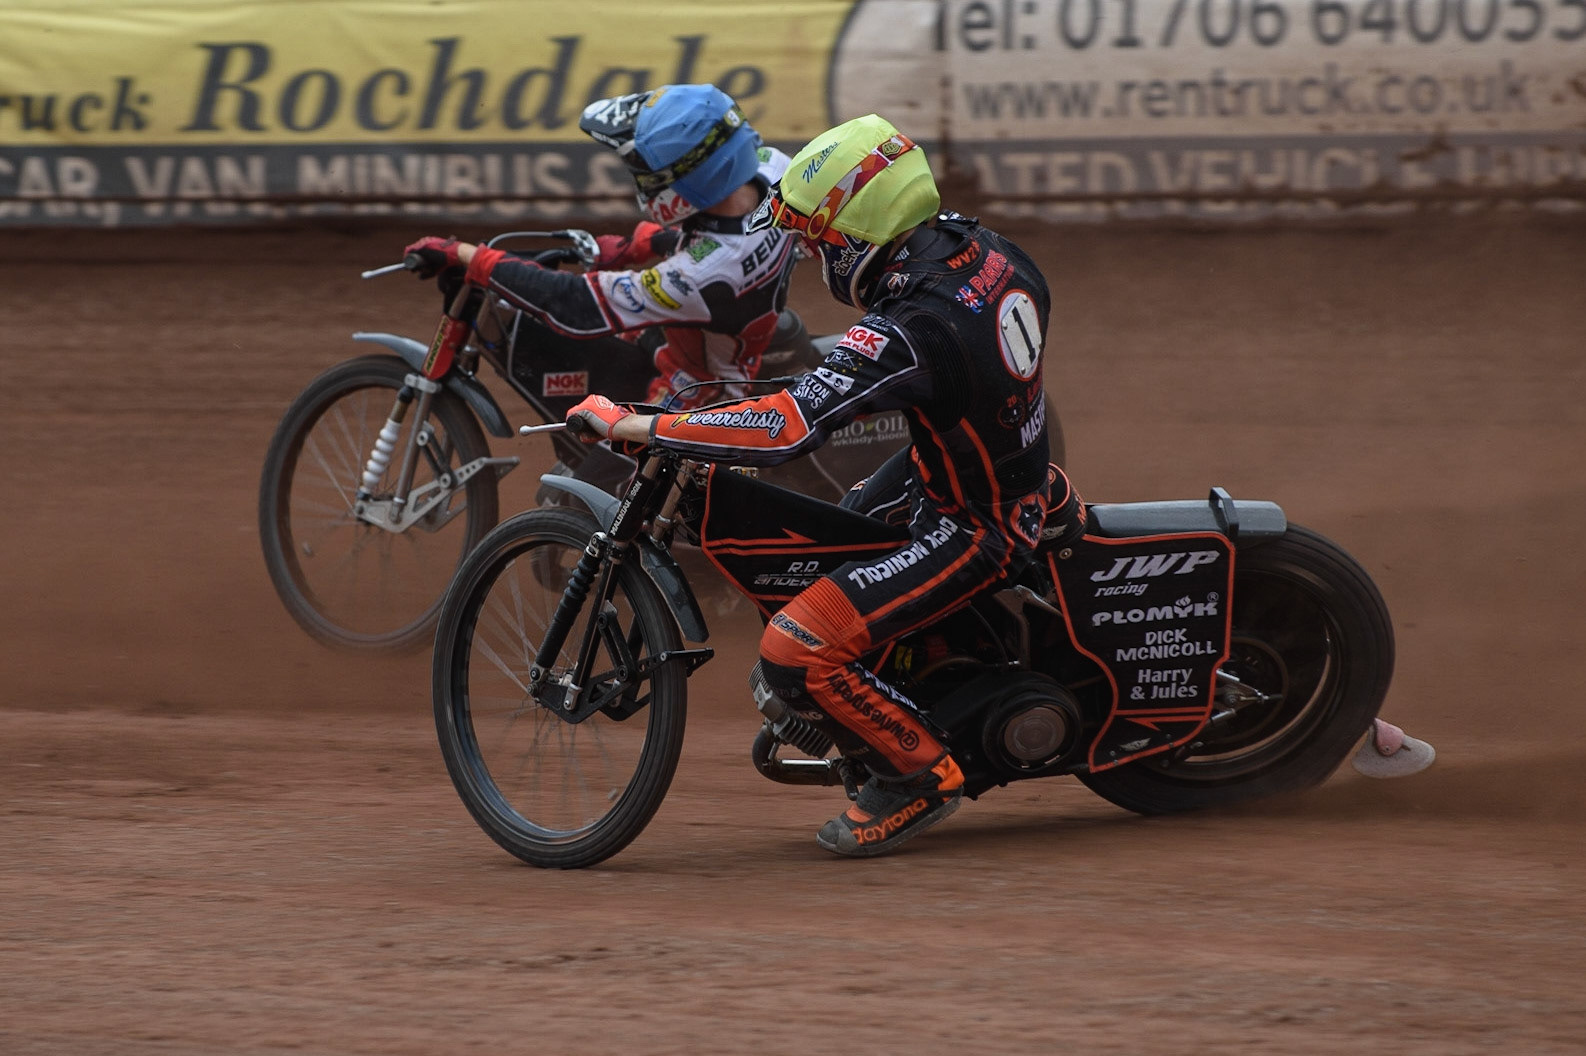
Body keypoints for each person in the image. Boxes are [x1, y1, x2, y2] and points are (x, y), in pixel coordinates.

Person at [563, 114, 1062, 858]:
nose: (811, 252)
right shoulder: (987, 251)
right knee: (832, 536)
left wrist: (640, 426)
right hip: (981, 473)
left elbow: (785, 429)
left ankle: (920, 775)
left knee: (794, 649)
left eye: (819, 239)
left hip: (974, 526)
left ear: (857, 234)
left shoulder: (911, 324)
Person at [402, 83, 800, 411]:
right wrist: (636, 245)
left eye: (647, 172)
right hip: (706, 332)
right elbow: (721, 234)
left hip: (699, 394)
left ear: (694, 177)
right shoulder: (774, 170)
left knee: (592, 475)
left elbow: (575, 302)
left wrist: (466, 255)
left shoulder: (698, 275)